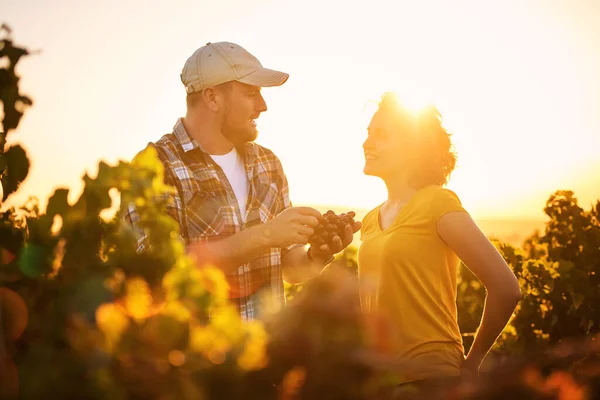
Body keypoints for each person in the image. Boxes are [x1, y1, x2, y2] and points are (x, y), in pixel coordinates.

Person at [122, 42, 360, 321]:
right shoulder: (156, 166)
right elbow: (160, 274)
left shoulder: (268, 164)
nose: (263, 106)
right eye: (251, 94)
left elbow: (287, 269)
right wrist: (266, 235)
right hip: (193, 361)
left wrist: (315, 256)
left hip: (266, 356)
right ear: (212, 98)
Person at [357, 92, 521, 393]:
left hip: (431, 379)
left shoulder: (438, 204)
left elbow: (506, 287)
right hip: (380, 383)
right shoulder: (369, 221)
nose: (367, 143)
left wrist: (472, 363)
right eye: (368, 133)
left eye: (381, 135)